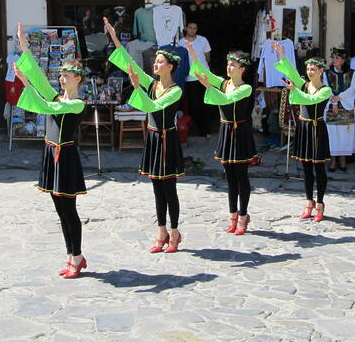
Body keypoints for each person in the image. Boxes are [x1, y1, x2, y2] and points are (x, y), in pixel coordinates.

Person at [13, 22, 88, 279]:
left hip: (65, 158)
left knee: (69, 209)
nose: (61, 78)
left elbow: (48, 108)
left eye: (66, 75)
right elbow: (38, 75)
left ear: (77, 78)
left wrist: (27, 85)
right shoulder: (56, 98)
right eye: (61, 75)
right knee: (59, 209)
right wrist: (23, 45)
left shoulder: (78, 104)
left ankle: (77, 256)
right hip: (51, 155)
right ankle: (70, 255)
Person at [106, 17, 185, 253]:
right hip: (152, 139)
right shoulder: (153, 83)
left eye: (160, 62)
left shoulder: (175, 90)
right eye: (156, 61)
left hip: (166, 139)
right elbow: (128, 63)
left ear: (170, 66)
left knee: (169, 189)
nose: (155, 64)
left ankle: (174, 232)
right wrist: (114, 36)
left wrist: (137, 86)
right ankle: (160, 231)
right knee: (156, 188)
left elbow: (154, 107)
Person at [187, 42, 257, 235]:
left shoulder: (246, 88)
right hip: (226, 132)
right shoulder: (223, 83)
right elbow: (204, 72)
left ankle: (243, 215)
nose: (229, 68)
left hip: (240, 133)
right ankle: (232, 215)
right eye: (228, 64)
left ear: (242, 69)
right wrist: (193, 54)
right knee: (229, 178)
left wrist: (208, 86)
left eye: (233, 65)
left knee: (241, 177)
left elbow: (226, 100)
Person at [273, 41, 332, 222]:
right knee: (306, 168)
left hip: (316, 128)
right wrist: (282, 55)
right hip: (304, 127)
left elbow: (309, 100)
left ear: (321, 70)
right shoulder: (304, 84)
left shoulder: (325, 90)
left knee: (319, 168)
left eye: (313, 69)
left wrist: (294, 90)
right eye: (308, 69)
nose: (309, 72)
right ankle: (309, 201)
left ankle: (320, 203)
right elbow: (291, 72)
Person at [324, 47, 355, 172]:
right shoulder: (326, 74)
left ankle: (343, 158)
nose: (334, 59)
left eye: (337, 58)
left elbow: (351, 89)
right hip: (331, 106)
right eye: (333, 57)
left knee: (345, 134)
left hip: (346, 106)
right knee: (332, 133)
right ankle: (333, 159)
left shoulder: (353, 73)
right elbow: (326, 89)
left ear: (344, 60)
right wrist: (333, 102)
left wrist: (339, 98)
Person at [182, 22, 212, 138]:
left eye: (195, 28)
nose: (192, 30)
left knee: (206, 103)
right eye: (190, 28)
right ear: (186, 29)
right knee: (194, 106)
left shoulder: (203, 40)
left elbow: (207, 57)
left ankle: (206, 130)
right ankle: (200, 127)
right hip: (190, 78)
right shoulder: (181, 42)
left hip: (204, 76)